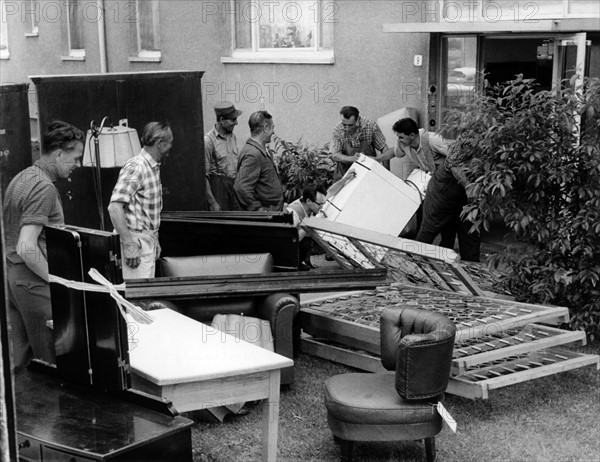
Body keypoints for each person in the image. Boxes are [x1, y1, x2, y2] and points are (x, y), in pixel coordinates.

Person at [3, 121, 85, 371]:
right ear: (59, 153)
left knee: (23, 364)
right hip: (34, 281)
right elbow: (27, 246)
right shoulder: (43, 187)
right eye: (76, 158)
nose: (78, 165)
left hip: (14, 279)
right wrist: (58, 281)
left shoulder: (23, 177)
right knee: (52, 362)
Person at [108, 121, 173, 279]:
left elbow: (145, 212)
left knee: (145, 298)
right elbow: (115, 207)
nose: (171, 147)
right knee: (136, 300)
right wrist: (129, 244)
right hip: (135, 242)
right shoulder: (137, 167)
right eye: (170, 143)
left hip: (145, 241)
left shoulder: (152, 167)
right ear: (159, 143)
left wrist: (153, 238)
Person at [374, 117, 454, 242]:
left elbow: (456, 156)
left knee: (442, 219)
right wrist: (377, 159)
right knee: (428, 215)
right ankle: (431, 247)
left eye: (401, 137)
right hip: (429, 182)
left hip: (447, 183)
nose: (399, 140)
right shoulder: (405, 144)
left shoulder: (433, 140)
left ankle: (432, 249)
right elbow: (393, 152)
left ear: (412, 135)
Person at [416, 147, 481, 262]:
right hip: (443, 190)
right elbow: (453, 163)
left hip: (467, 193)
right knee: (428, 230)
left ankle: (471, 274)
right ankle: (414, 267)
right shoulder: (468, 139)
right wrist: (468, 185)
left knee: (470, 233)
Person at [234, 111, 284, 211]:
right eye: (272, 127)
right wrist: (258, 209)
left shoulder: (257, 151)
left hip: (272, 214)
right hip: (266, 217)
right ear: (265, 128)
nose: (273, 132)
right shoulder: (253, 154)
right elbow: (241, 187)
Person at [330, 106, 388, 181]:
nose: (347, 128)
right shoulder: (338, 129)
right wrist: (352, 158)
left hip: (368, 173)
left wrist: (386, 173)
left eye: (350, 125)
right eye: (344, 124)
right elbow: (334, 155)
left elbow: (384, 148)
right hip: (344, 175)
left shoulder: (370, 126)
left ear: (358, 120)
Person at [205, 102, 242, 211]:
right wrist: (212, 203)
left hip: (232, 189)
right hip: (218, 191)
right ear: (221, 120)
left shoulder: (232, 137)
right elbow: (204, 177)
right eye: (233, 119)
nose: (236, 123)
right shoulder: (209, 141)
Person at [286, 183, 327, 270]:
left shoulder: (312, 204)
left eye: (323, 204)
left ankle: (299, 263)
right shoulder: (293, 213)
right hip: (287, 249)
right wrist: (311, 222)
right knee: (306, 240)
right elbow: (289, 240)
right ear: (308, 201)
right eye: (319, 204)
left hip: (296, 245)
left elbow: (331, 191)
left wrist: (345, 179)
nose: (322, 207)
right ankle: (293, 265)